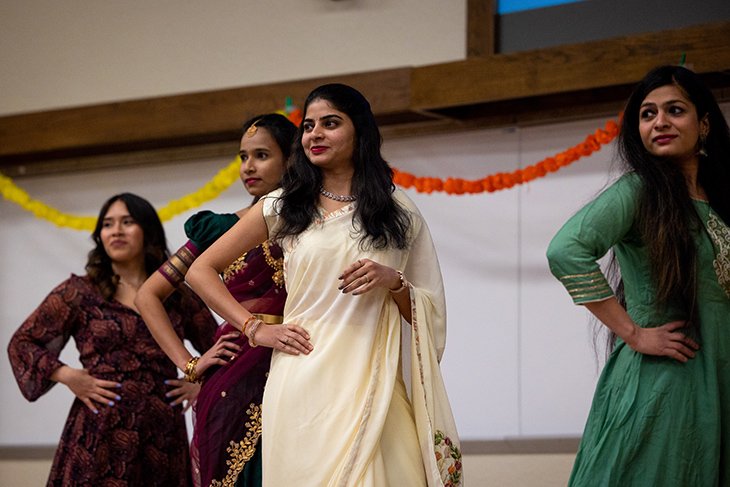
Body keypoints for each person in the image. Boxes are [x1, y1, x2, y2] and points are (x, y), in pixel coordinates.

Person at [186, 83, 462, 487]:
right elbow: (200, 270)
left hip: (375, 382)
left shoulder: (396, 211)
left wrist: (394, 282)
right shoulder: (284, 205)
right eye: (309, 125)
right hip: (303, 377)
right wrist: (254, 328)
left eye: (330, 123)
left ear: (359, 132)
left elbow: (430, 311)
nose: (315, 134)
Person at [546, 65, 730, 486]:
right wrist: (634, 333)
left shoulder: (721, 201)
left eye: (674, 110)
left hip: (718, 378)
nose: (659, 122)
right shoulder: (638, 191)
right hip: (665, 382)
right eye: (647, 114)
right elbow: (565, 250)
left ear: (704, 125)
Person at [135, 113, 302, 487]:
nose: (248, 167)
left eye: (261, 155)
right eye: (243, 157)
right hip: (236, 375)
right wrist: (190, 364)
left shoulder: (314, 224)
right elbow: (148, 296)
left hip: (297, 366)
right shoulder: (219, 229)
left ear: (291, 160)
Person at [7, 193, 218, 486]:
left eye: (127, 222)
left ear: (148, 231)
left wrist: (200, 384)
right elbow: (23, 343)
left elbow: (219, 346)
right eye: (107, 224)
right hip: (97, 432)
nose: (116, 231)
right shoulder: (79, 291)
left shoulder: (176, 293)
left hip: (162, 434)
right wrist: (68, 376)